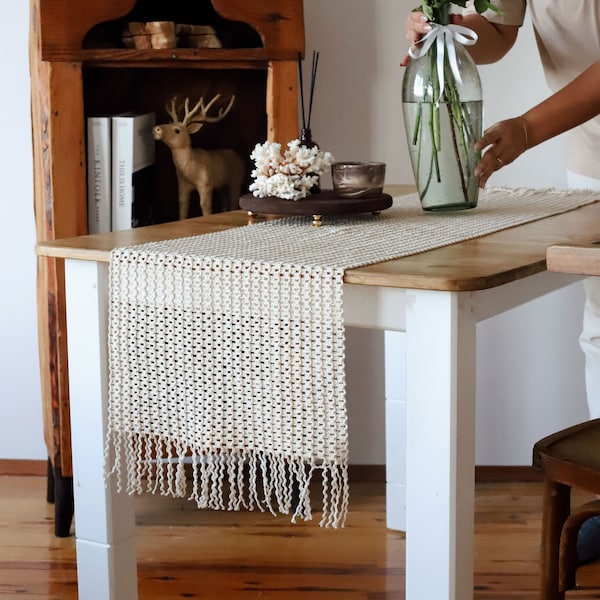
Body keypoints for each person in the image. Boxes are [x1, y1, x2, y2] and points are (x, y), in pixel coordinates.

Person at [405, 0, 600, 564]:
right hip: (592, 152)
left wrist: (526, 127)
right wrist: (445, 29)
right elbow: (497, 32)